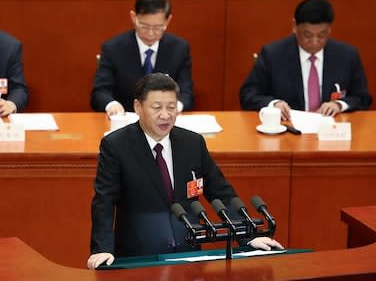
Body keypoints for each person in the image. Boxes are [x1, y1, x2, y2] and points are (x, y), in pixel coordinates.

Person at [87, 73, 283, 269]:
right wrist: (102, 248)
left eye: (171, 107)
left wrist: (249, 237)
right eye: (157, 108)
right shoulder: (116, 145)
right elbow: (104, 201)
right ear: (138, 107)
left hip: (188, 257)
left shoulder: (192, 143)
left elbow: (220, 191)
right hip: (140, 257)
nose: (165, 115)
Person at [239, 0, 372, 121]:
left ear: (330, 29)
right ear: (294, 26)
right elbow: (248, 94)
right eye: (307, 35)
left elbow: (363, 98)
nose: (314, 42)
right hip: (288, 129)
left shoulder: (347, 55)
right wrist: (274, 104)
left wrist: (339, 105)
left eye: (321, 35)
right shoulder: (273, 54)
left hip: (331, 131)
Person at [90, 0, 194, 116]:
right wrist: (112, 105)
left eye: (157, 27)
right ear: (134, 17)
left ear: (168, 21)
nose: (150, 33)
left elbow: (186, 93)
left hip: (165, 121)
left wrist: (175, 107)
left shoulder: (179, 48)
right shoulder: (113, 48)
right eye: (144, 26)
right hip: (126, 121)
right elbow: (100, 92)